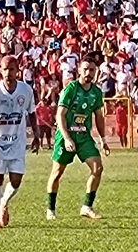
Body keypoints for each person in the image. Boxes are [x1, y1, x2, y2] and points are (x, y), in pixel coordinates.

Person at [0, 55, 41, 230]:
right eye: (5, 69)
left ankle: (4, 202)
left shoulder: (26, 91)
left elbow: (32, 113)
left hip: (18, 142)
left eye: (12, 69)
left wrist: (36, 134)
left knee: (16, 180)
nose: (8, 73)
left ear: (17, 70)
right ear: (0, 71)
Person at [46, 55, 111, 221]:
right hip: (66, 135)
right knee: (57, 173)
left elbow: (99, 117)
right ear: (79, 70)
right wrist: (67, 138)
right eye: (86, 69)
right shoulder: (71, 88)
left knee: (97, 168)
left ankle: (87, 206)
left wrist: (103, 140)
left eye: (92, 70)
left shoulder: (96, 92)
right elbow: (60, 114)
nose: (89, 73)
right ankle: (50, 209)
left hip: (84, 136)